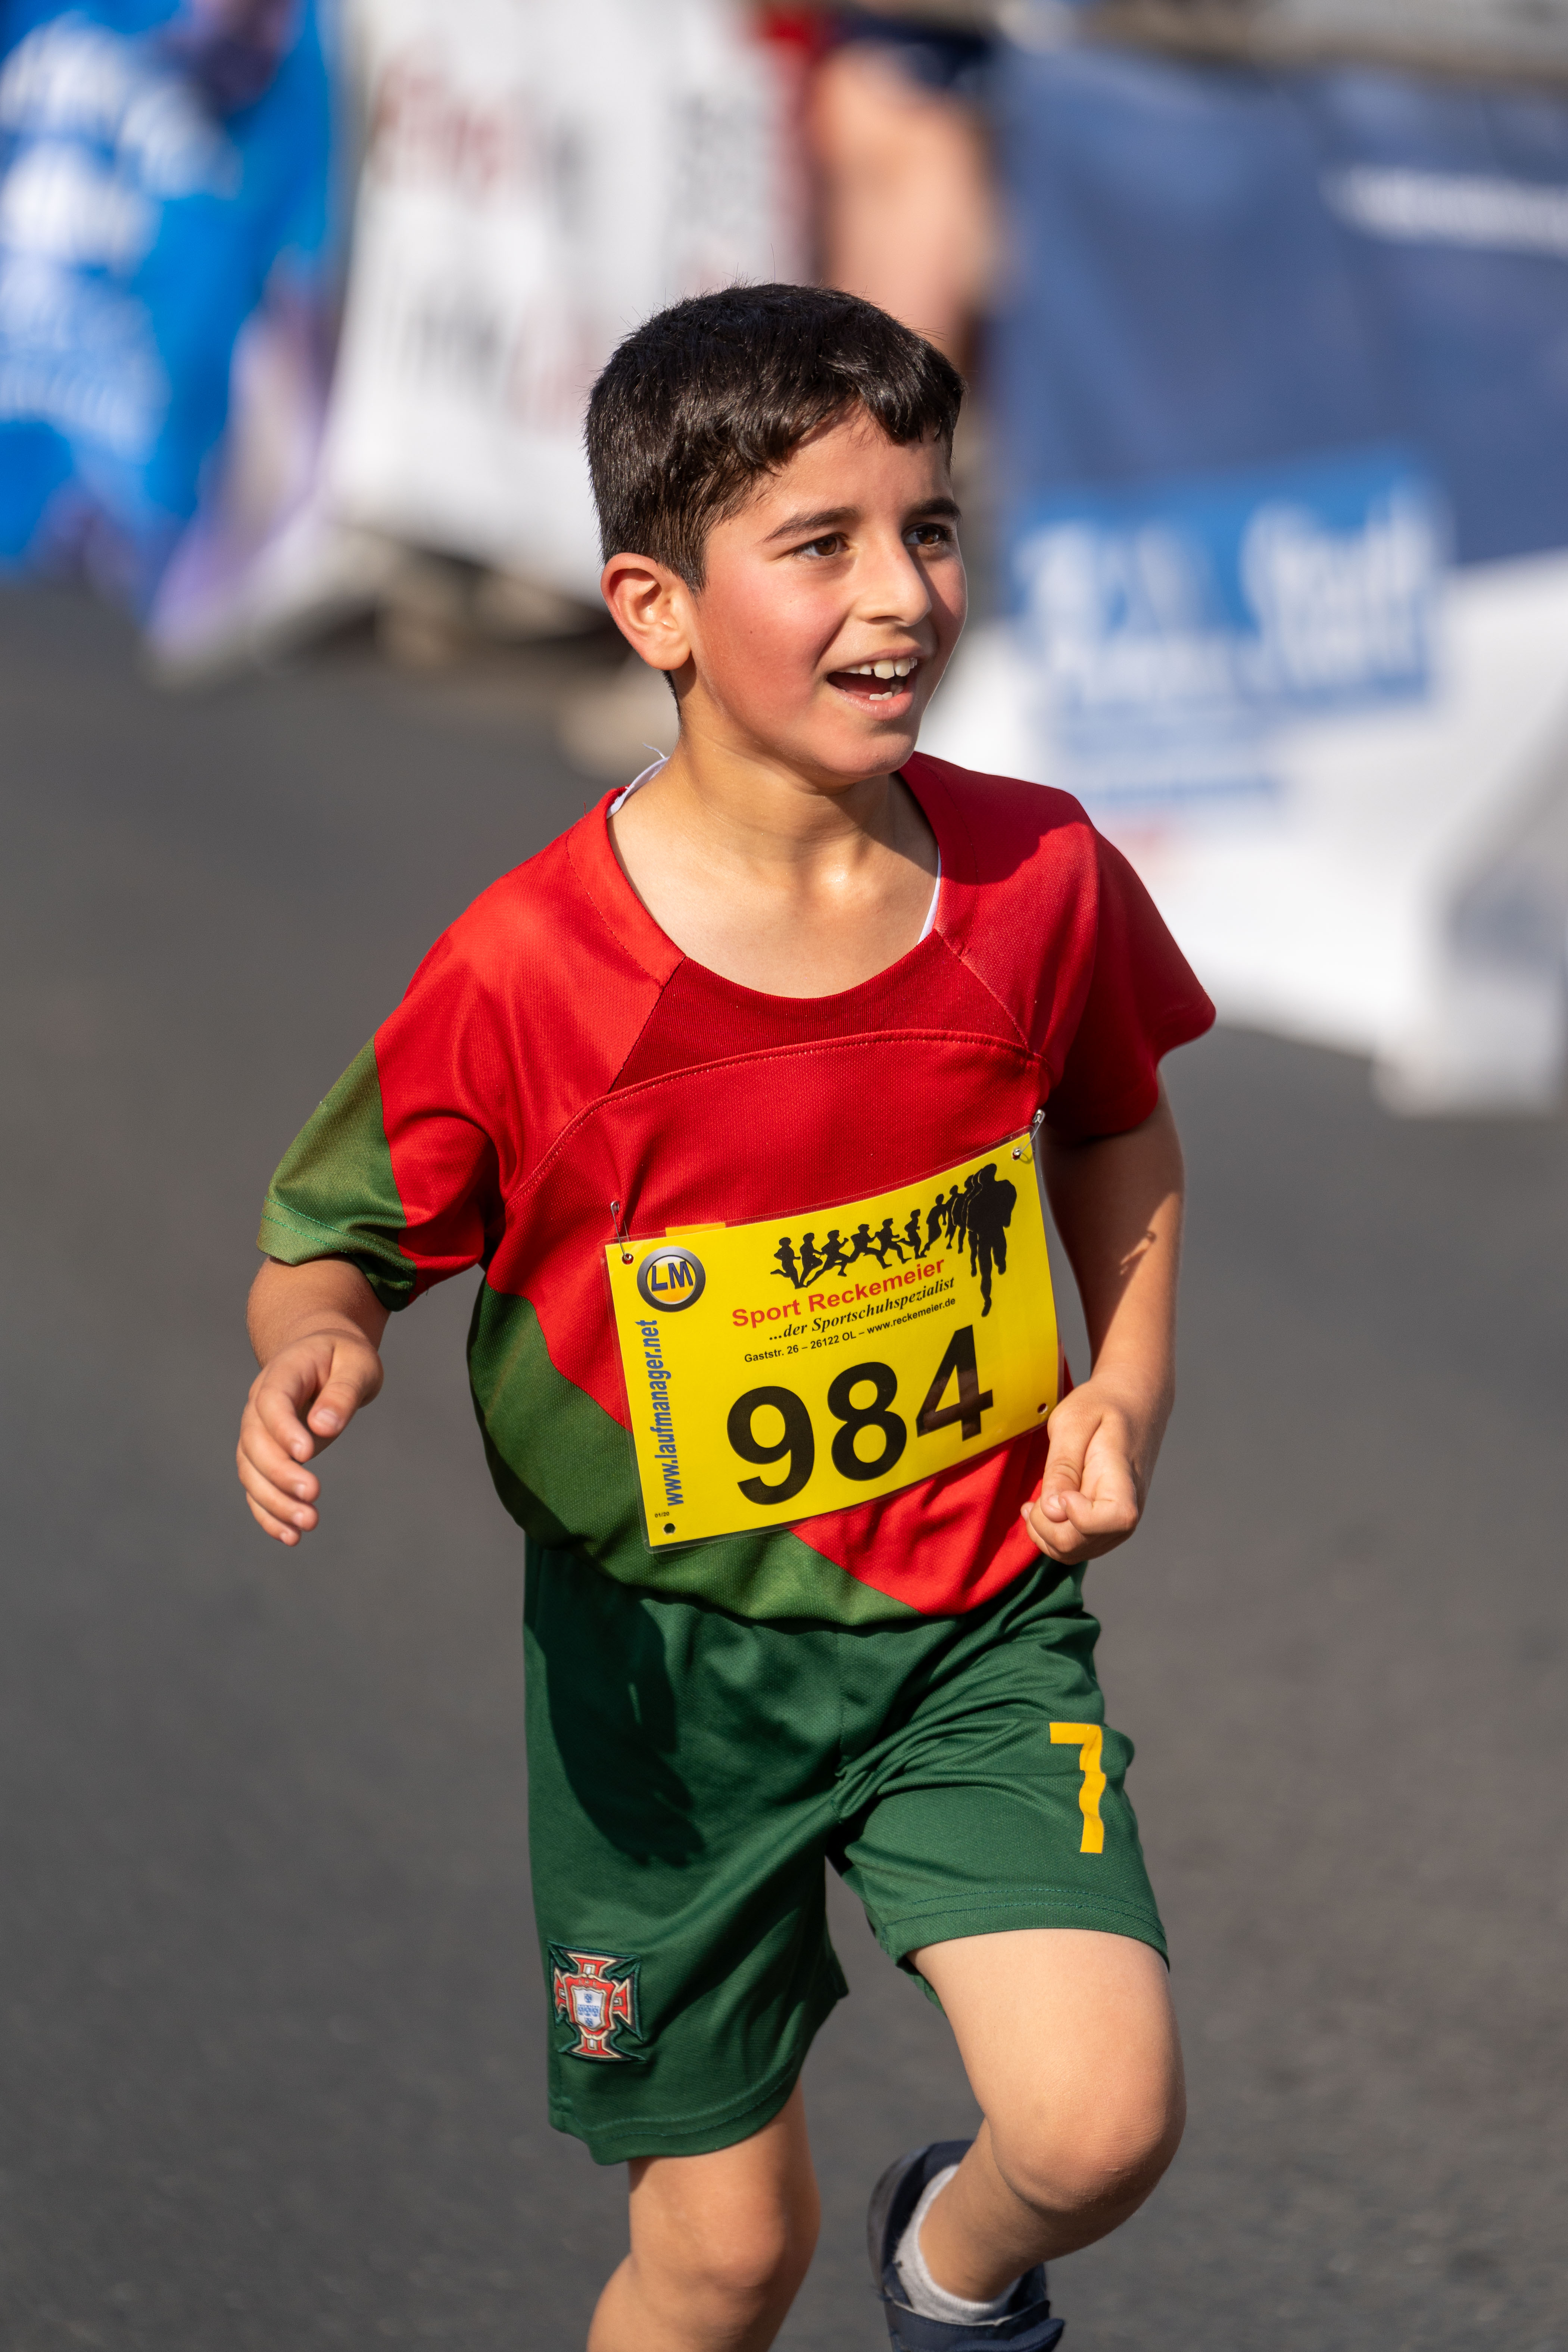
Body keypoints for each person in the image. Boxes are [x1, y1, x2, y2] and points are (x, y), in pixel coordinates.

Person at [235, 283, 1214, 2352]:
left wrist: (1120, 1388)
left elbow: (1118, 1122)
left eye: (929, 527)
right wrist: (318, 1339)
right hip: (663, 1690)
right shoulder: (530, 973)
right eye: (821, 544)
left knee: (1102, 2122)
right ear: (654, 608)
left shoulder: (1037, 878)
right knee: (721, 2258)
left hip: (972, 1619)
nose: (902, 593)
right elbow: (338, 1234)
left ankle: (953, 2271)